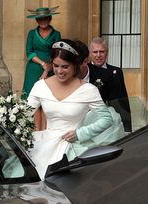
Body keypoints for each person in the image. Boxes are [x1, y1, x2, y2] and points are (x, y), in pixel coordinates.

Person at [27, 39, 113, 179]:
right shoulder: (40, 86)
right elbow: (23, 114)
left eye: (65, 67)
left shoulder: (88, 90)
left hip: (75, 147)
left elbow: (106, 119)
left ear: (75, 65)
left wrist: (80, 133)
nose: (59, 71)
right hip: (44, 144)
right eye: (56, 66)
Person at [22, 7, 61, 130]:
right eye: (40, 19)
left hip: (50, 69)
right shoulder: (31, 33)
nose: (43, 21)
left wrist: (47, 68)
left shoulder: (56, 34)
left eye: (45, 18)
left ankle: (45, 131)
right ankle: (35, 132)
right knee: (34, 101)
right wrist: (42, 64)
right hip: (33, 70)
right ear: (37, 20)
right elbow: (29, 52)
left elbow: (57, 53)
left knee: (46, 101)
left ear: (49, 18)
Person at [89, 37, 132, 132]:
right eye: (95, 52)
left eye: (102, 51)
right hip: (89, 121)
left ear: (107, 53)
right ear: (90, 53)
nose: (98, 55)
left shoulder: (116, 72)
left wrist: (127, 128)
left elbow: (122, 101)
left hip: (111, 121)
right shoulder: (85, 71)